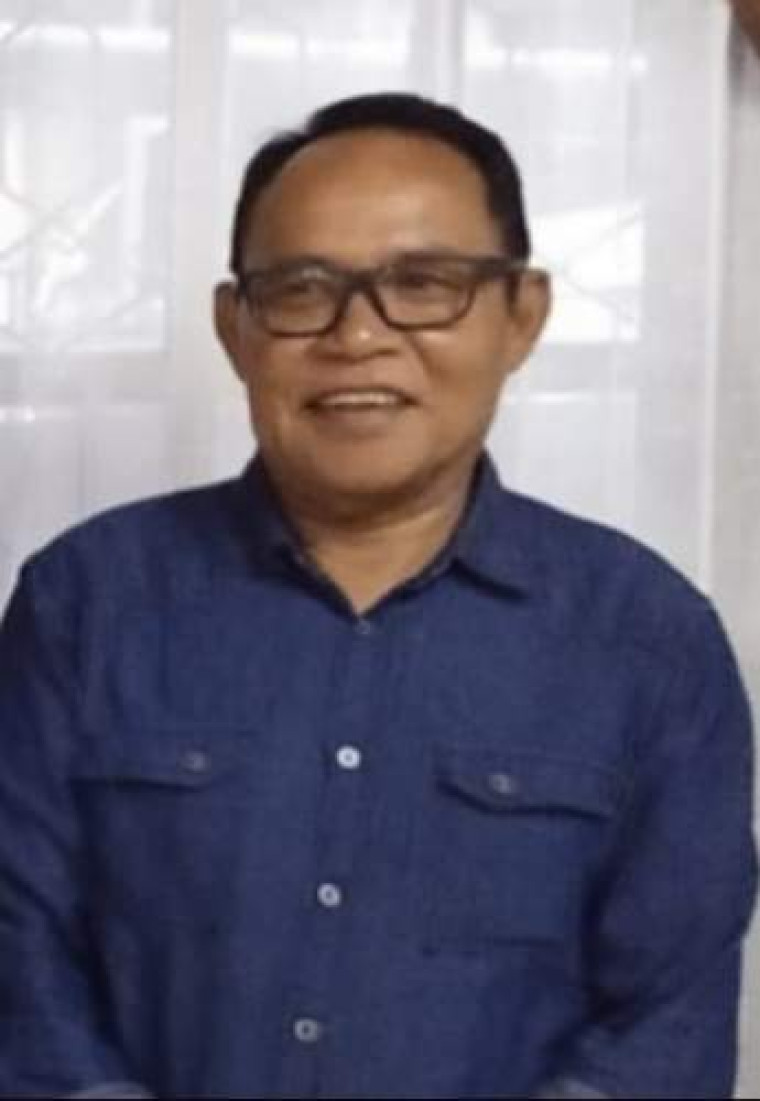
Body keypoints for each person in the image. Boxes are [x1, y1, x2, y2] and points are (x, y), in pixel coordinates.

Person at [0, 92, 755, 1101]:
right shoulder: (85, 603)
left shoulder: (648, 639)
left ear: (522, 314)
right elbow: (21, 958)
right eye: (300, 289)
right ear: (234, 327)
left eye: (424, 283)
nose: (358, 335)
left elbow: (664, 1025)